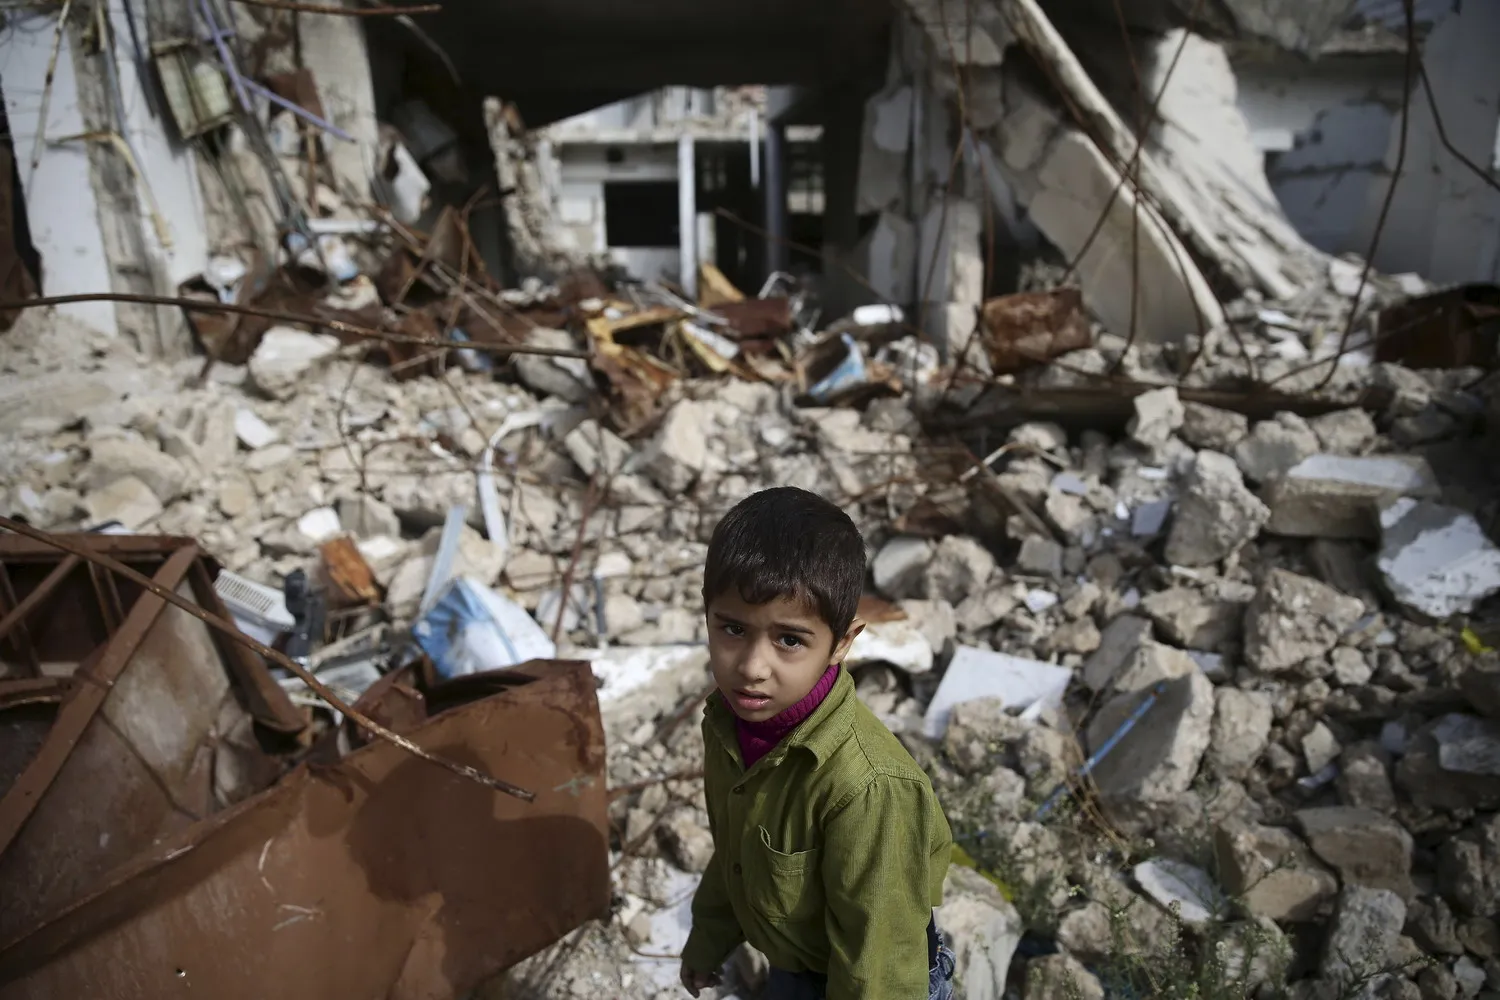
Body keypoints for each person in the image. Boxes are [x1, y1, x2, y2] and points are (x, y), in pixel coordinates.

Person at [679, 487, 955, 1000]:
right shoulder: (729, 725)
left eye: (789, 640)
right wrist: (708, 939)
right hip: (794, 964)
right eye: (733, 629)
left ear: (842, 644)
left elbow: (879, 963)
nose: (752, 668)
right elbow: (735, 850)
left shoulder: (868, 789)